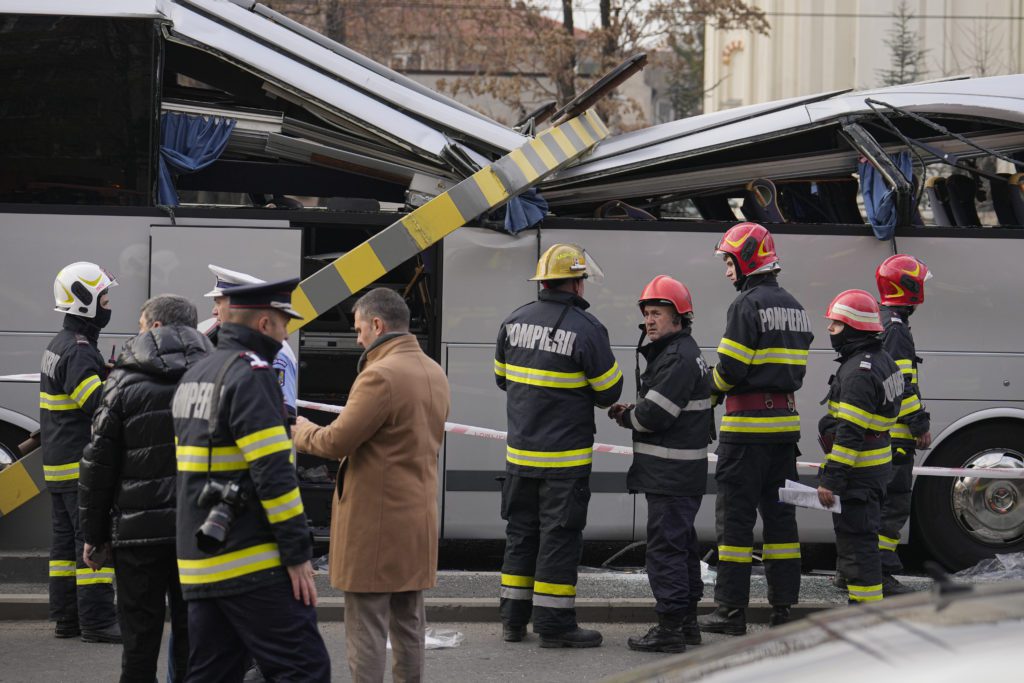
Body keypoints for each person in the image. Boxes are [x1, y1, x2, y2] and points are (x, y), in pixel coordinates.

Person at [172, 278, 329, 683]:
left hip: (200, 560)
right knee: (305, 669)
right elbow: (274, 472)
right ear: (263, 324)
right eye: (282, 322)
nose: (286, 331)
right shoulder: (252, 375)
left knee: (212, 673)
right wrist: (298, 554)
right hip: (249, 560)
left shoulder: (196, 374)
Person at [292, 288, 450, 683]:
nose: (358, 337)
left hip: (375, 525)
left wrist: (299, 428)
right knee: (409, 625)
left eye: (360, 328)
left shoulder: (380, 374)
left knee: (366, 628)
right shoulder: (433, 370)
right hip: (417, 520)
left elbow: (335, 442)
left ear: (378, 325)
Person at [494, 243, 624, 648]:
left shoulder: (513, 321)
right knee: (559, 537)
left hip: (519, 456)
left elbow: (502, 379)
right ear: (575, 282)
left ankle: (513, 621)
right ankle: (554, 625)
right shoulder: (587, 329)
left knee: (521, 533)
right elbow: (609, 391)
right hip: (564, 462)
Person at [79, 295, 212, 682]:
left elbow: (98, 465)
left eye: (140, 324)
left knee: (139, 641)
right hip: (199, 533)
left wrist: (94, 535)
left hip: (136, 537)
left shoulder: (122, 381)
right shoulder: (218, 376)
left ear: (155, 327)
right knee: (195, 639)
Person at [699, 223, 813, 636]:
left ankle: (730, 613)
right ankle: (783, 608)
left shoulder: (746, 305)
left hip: (746, 433)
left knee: (735, 524)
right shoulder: (796, 306)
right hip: (785, 435)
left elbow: (729, 370)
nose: (728, 271)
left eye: (729, 262)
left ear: (746, 260)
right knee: (782, 524)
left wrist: (705, 394)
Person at [607, 276, 712, 653]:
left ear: (678, 317)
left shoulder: (677, 358)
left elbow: (655, 416)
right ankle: (685, 624)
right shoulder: (682, 352)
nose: (649, 321)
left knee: (666, 550)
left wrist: (625, 417)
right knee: (681, 546)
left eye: (657, 313)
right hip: (678, 474)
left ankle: (669, 629)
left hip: (670, 476)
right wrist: (637, 411)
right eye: (647, 314)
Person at [40, 261, 121, 643]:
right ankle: (98, 621)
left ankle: (67, 619)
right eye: (104, 297)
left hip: (58, 463)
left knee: (62, 549)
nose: (107, 304)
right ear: (85, 301)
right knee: (92, 542)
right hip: (80, 466)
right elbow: (99, 406)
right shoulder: (79, 351)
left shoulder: (59, 344)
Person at [817, 289, 901, 605]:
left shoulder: (858, 373)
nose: (830, 330)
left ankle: (863, 617)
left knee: (857, 547)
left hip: (858, 477)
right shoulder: (884, 361)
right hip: (876, 470)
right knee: (864, 542)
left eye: (836, 325)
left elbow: (850, 434)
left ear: (854, 328)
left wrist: (831, 479)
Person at [875, 255, 932, 595]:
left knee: (874, 506)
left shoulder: (886, 321)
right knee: (892, 505)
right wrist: (918, 424)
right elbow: (902, 385)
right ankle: (880, 572)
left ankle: (858, 568)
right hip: (896, 437)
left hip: (884, 435)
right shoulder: (896, 329)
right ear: (908, 286)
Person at [203, 265, 298, 420]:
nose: (214, 311)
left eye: (219, 303)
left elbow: (281, 416)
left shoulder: (276, 350)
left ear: (238, 306)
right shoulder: (233, 349)